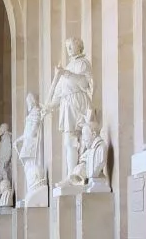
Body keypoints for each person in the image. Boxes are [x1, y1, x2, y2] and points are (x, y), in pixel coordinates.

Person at [44, 37, 93, 179]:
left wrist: (65, 73)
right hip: (67, 105)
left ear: (79, 46)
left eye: (71, 46)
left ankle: (80, 172)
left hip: (78, 102)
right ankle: (71, 174)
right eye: (67, 47)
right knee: (68, 141)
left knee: (82, 138)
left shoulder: (83, 63)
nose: (69, 49)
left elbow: (84, 83)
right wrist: (49, 107)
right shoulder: (68, 66)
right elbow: (59, 93)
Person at [14, 93, 47, 200]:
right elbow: (26, 132)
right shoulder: (31, 113)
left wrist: (28, 137)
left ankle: (33, 188)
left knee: (31, 165)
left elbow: (33, 130)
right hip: (28, 142)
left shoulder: (36, 111)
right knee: (27, 167)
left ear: (32, 101)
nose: (27, 103)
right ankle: (30, 189)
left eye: (28, 101)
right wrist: (18, 140)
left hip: (32, 143)